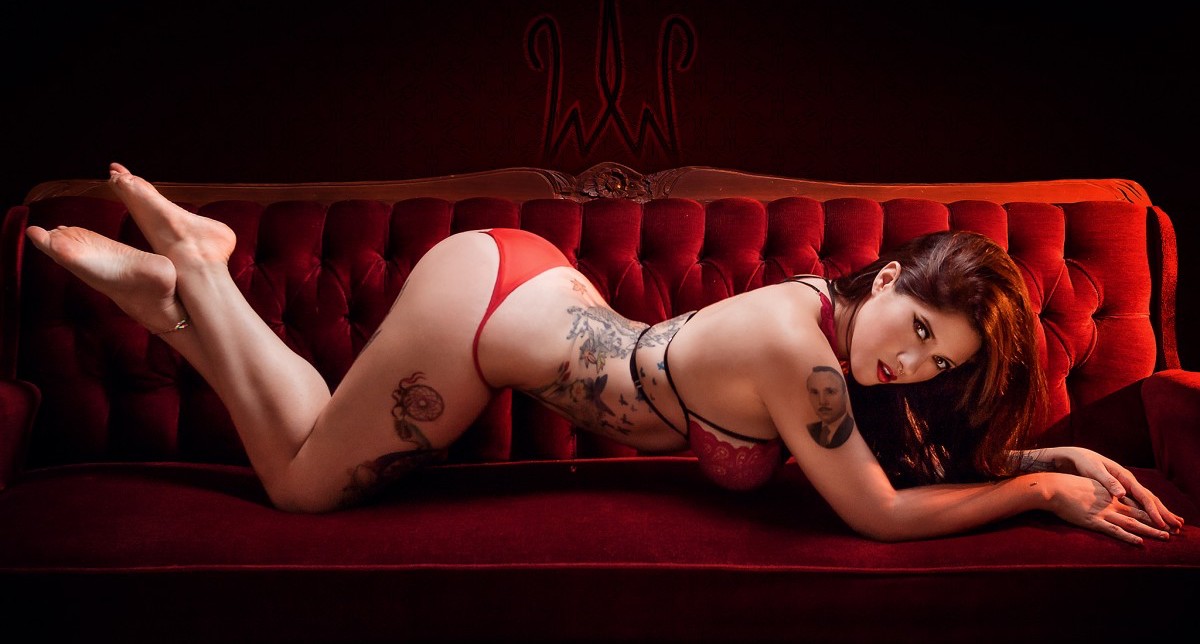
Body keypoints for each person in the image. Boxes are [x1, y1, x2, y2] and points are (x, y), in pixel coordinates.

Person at [25, 163, 1184, 545]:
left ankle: (189, 293)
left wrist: (1055, 450)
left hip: (529, 286)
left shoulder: (834, 332)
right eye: (920, 329)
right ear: (886, 280)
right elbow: (880, 512)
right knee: (297, 487)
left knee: (317, 432)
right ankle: (202, 273)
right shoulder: (801, 350)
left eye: (938, 364)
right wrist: (1037, 492)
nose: (909, 366)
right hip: (488, 320)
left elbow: (909, 462)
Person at [806, 366, 853, 448]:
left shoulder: (854, 430)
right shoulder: (809, 430)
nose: (822, 401)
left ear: (845, 395)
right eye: (815, 392)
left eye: (830, 392)